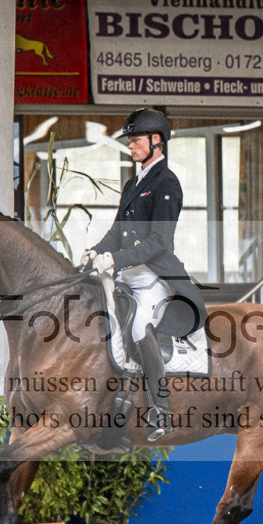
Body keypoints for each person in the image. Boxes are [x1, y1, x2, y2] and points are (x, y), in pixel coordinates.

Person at [79, 108, 207, 441]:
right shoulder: (132, 183)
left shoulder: (167, 183)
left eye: (135, 140)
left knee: (138, 328)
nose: (131, 146)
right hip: (126, 273)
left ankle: (160, 411)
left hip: (153, 274)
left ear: (156, 141)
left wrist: (115, 258)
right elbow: (116, 231)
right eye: (130, 140)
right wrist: (95, 251)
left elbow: (159, 242)